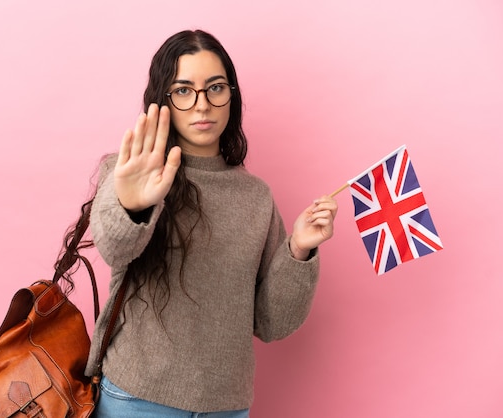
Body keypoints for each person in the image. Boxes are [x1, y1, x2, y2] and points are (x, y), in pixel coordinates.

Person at [85, 29, 338, 417]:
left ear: (231, 97)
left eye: (215, 88)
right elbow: (115, 249)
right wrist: (132, 205)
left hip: (227, 407)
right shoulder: (131, 171)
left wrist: (299, 250)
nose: (202, 105)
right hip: (136, 399)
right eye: (184, 90)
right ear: (163, 100)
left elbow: (271, 323)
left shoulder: (256, 197)